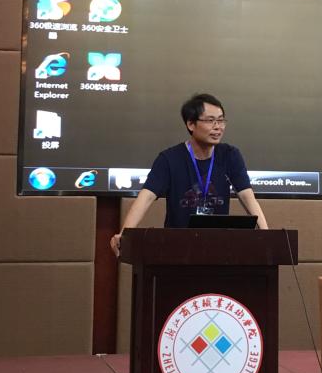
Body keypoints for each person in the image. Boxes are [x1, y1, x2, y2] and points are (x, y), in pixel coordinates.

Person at [110, 93, 268, 256]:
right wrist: (124, 234)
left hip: (217, 247)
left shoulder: (230, 155)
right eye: (210, 120)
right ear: (191, 124)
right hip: (177, 247)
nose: (218, 127)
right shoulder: (169, 159)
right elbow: (147, 197)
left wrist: (266, 233)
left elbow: (247, 196)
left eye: (221, 120)